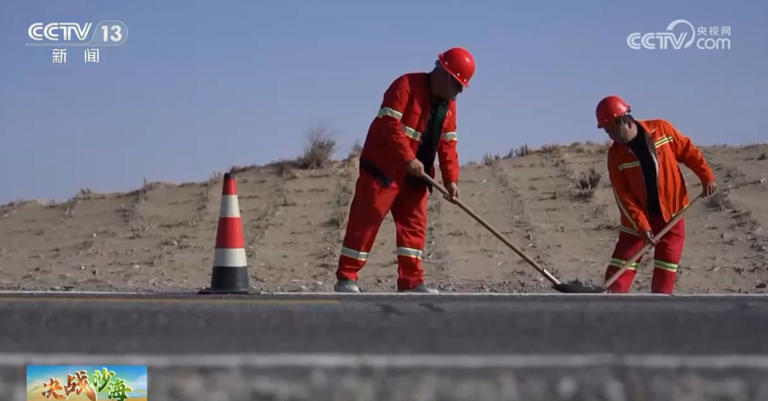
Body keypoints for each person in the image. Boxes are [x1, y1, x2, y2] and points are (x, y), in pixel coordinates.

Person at [334, 47, 475, 293]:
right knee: (365, 222)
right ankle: (347, 278)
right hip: (383, 170)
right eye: (455, 85)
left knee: (414, 229)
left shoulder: (449, 107)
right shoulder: (405, 85)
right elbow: (389, 125)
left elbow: (448, 144)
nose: (456, 93)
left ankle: (411, 282)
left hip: (417, 177)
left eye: (460, 88)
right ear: (442, 72)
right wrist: (408, 158)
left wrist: (452, 180)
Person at [597, 95, 717, 294]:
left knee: (665, 271)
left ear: (624, 121)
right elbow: (623, 196)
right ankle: (609, 309)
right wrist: (641, 226)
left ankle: (659, 311)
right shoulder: (615, 155)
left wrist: (707, 177)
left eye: (610, 129)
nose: (609, 135)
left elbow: (689, 152)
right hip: (637, 222)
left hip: (672, 214)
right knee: (620, 269)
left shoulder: (662, 130)